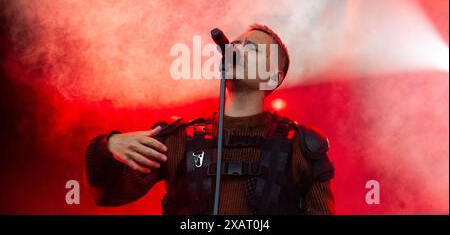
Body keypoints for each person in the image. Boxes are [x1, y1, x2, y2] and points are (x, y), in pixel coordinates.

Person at [85, 23, 335, 214]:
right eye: (235, 45)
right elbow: (108, 195)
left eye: (252, 49)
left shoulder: (300, 146)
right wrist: (107, 146)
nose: (236, 50)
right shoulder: (179, 139)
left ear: (272, 77)